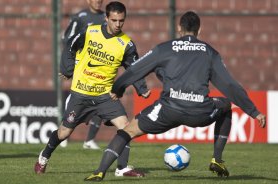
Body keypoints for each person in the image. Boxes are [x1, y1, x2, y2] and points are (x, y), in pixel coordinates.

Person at [84, 11, 267, 181]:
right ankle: (217, 159)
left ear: (179, 28)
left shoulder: (165, 48)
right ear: (199, 30)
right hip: (199, 112)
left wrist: (118, 88)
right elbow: (229, 85)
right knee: (226, 105)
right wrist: (253, 111)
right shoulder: (209, 52)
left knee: (127, 131)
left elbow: (135, 70)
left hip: (168, 110)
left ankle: (99, 172)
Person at [34, 1, 151, 177]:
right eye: (114, 20)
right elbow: (70, 46)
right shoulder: (90, 32)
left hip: (105, 96)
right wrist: (67, 70)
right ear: (106, 18)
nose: (118, 24)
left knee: (126, 127)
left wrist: (141, 88)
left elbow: (134, 68)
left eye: (121, 21)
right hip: (80, 93)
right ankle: (44, 156)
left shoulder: (126, 44)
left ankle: (122, 168)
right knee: (64, 132)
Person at [62, 0, 106, 150]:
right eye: (95, 0)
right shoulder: (80, 17)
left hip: (101, 65)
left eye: (101, 0)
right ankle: (63, 132)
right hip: (82, 64)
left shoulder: (107, 17)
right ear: (89, 1)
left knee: (102, 97)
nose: (98, 3)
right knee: (77, 96)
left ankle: (89, 140)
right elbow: (67, 38)